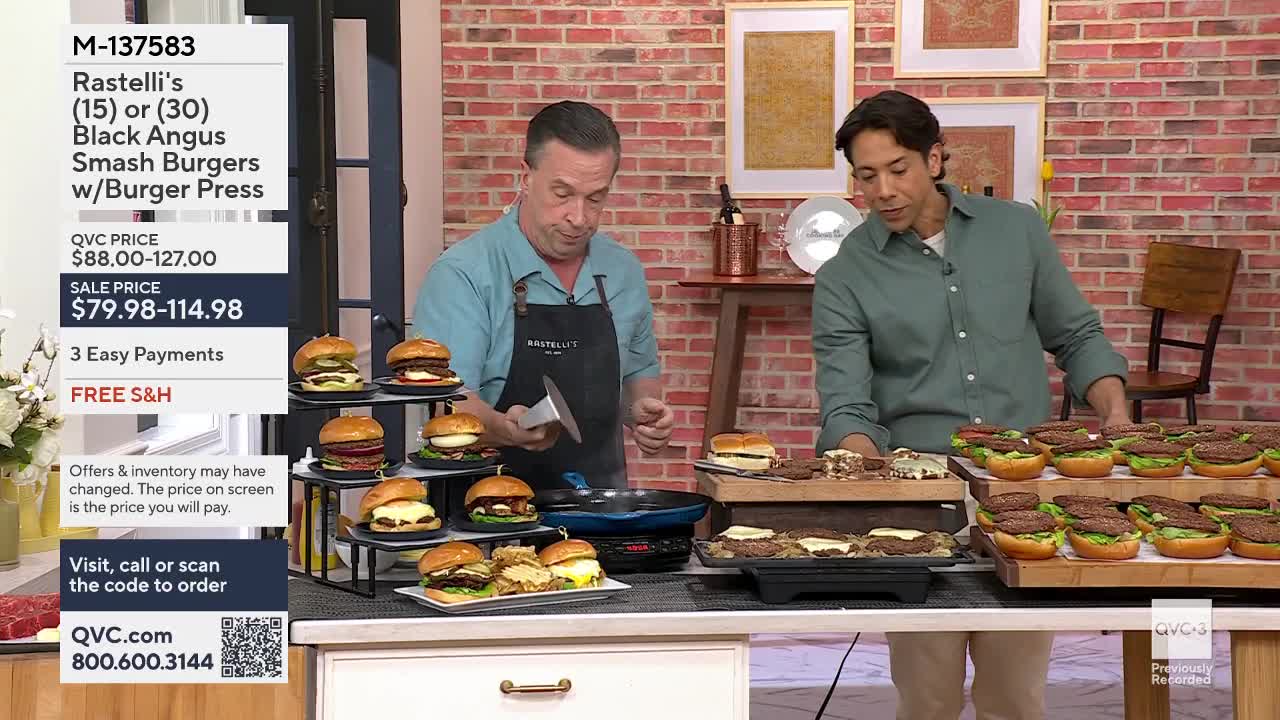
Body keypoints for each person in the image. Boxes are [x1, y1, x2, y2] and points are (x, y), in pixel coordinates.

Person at [813, 90, 1132, 720]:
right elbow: (847, 403)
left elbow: (1076, 336)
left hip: (1027, 491)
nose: (883, 191)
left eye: (898, 169)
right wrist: (863, 472)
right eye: (866, 176)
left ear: (935, 159)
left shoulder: (1017, 232)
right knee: (928, 697)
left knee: (1014, 696)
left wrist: (1115, 415)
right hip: (921, 500)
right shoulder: (844, 275)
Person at [412, 101, 674, 489]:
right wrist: (503, 428)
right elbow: (444, 404)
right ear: (526, 177)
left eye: (596, 198)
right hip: (483, 516)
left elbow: (638, 377)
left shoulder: (623, 272)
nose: (579, 217)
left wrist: (643, 416)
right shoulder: (463, 274)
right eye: (562, 193)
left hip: (600, 512)